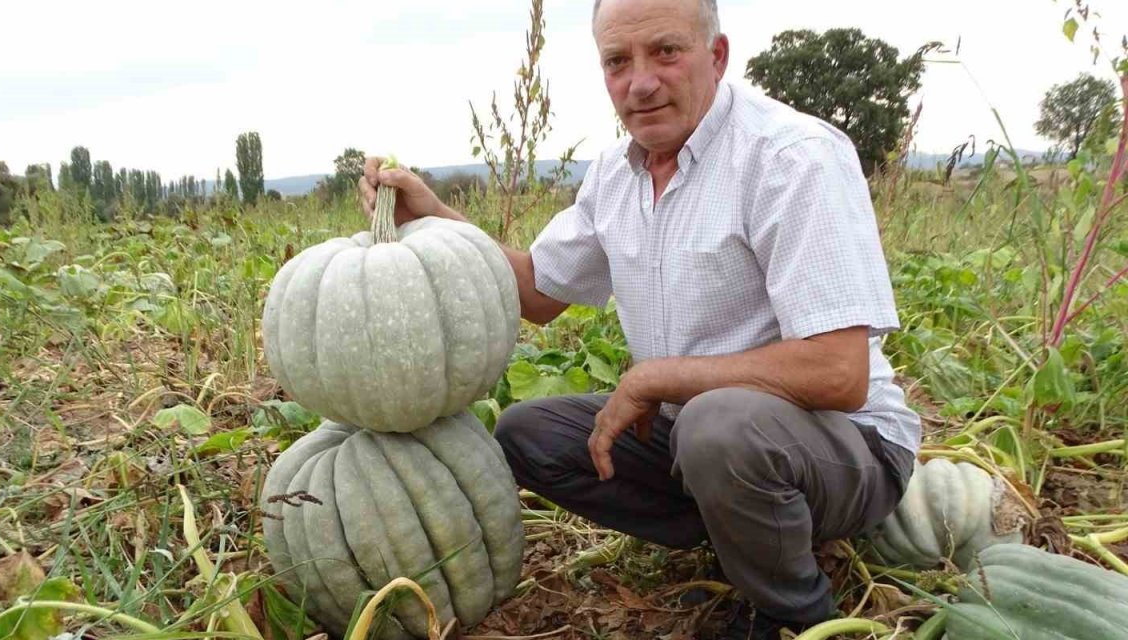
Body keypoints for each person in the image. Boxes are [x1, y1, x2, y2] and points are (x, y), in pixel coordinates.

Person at [358, 0, 920, 637]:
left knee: (717, 425)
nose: (641, 81)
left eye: (666, 52)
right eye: (618, 62)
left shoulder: (792, 158)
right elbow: (538, 293)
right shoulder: (616, 174)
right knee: (526, 435)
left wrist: (659, 379)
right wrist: (431, 217)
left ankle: (791, 609)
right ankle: (743, 529)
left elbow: (838, 373)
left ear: (717, 56)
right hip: (705, 440)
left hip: (850, 448)